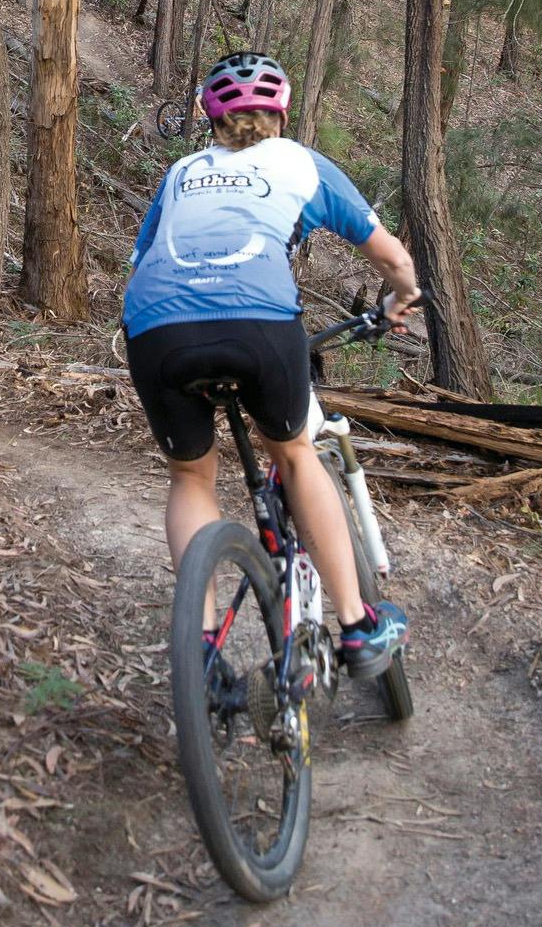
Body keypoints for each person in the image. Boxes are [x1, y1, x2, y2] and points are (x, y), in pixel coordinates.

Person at [122, 51, 420, 679]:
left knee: (191, 479)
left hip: (157, 327)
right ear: (280, 113)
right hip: (257, 318)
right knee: (292, 453)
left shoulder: (181, 171)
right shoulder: (300, 162)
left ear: (209, 120)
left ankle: (198, 650)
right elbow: (391, 257)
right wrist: (398, 299)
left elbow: (142, 256)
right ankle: (358, 626)